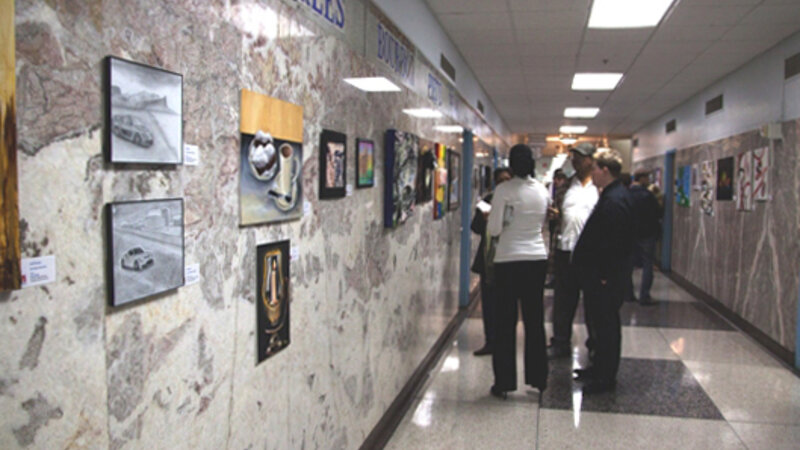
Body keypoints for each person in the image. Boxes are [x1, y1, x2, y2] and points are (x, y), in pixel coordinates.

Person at [486, 144, 550, 398]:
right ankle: (538, 379)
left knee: (505, 323)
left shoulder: (503, 190)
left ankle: (504, 382)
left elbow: (494, 230)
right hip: (536, 259)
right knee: (535, 321)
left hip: (508, 261)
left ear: (511, 165)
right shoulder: (542, 191)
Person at [571, 148, 634, 395]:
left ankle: (605, 376)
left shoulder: (615, 200)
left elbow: (615, 243)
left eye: (595, 169)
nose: (593, 173)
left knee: (606, 327)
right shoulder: (611, 195)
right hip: (600, 275)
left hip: (606, 278)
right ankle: (598, 368)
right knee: (599, 325)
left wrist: (605, 274)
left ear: (605, 170)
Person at [546, 143, 599, 359]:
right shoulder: (565, 188)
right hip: (565, 252)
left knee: (593, 304)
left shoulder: (599, 188)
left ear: (591, 160)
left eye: (580, 157)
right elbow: (559, 216)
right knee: (563, 302)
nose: (575, 161)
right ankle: (560, 342)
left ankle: (594, 343)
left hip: (590, 255)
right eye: (573, 157)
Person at [469, 167, 513, 356]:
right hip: (488, 259)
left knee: (507, 303)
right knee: (489, 303)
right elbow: (475, 227)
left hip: (511, 258)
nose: (503, 183)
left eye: (507, 180)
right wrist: (485, 220)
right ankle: (490, 341)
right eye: (500, 180)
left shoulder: (516, 202)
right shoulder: (487, 201)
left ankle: (505, 342)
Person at [629, 172, 662, 305]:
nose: (648, 180)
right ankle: (644, 295)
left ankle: (628, 294)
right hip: (648, 233)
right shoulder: (648, 196)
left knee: (629, 265)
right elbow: (658, 212)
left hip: (631, 234)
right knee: (648, 264)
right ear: (641, 179)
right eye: (647, 178)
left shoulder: (627, 194)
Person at [545, 169, 568, 288]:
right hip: (557, 226)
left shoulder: (562, 192)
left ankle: (555, 278)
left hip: (560, 227)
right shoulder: (558, 190)